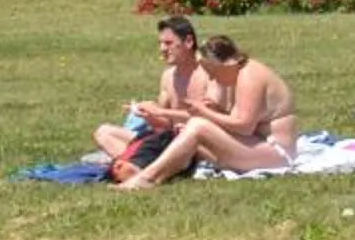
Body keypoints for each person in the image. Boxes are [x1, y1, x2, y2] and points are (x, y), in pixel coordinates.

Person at [115, 33, 300, 187]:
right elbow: (236, 121)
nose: (212, 79)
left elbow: (244, 127)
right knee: (186, 132)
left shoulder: (250, 77)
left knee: (197, 126)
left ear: (222, 65)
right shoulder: (238, 73)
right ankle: (148, 171)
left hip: (277, 154)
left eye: (212, 73)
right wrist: (211, 112)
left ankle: (148, 178)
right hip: (256, 144)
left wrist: (204, 112)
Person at [95, 13, 215, 162]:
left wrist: (160, 111)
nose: (162, 49)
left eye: (169, 43)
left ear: (188, 42)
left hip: (197, 144)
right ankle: (133, 164)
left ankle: (133, 163)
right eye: (161, 43)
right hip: (167, 140)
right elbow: (164, 126)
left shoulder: (209, 74)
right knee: (104, 132)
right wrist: (149, 115)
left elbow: (210, 119)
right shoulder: (168, 77)